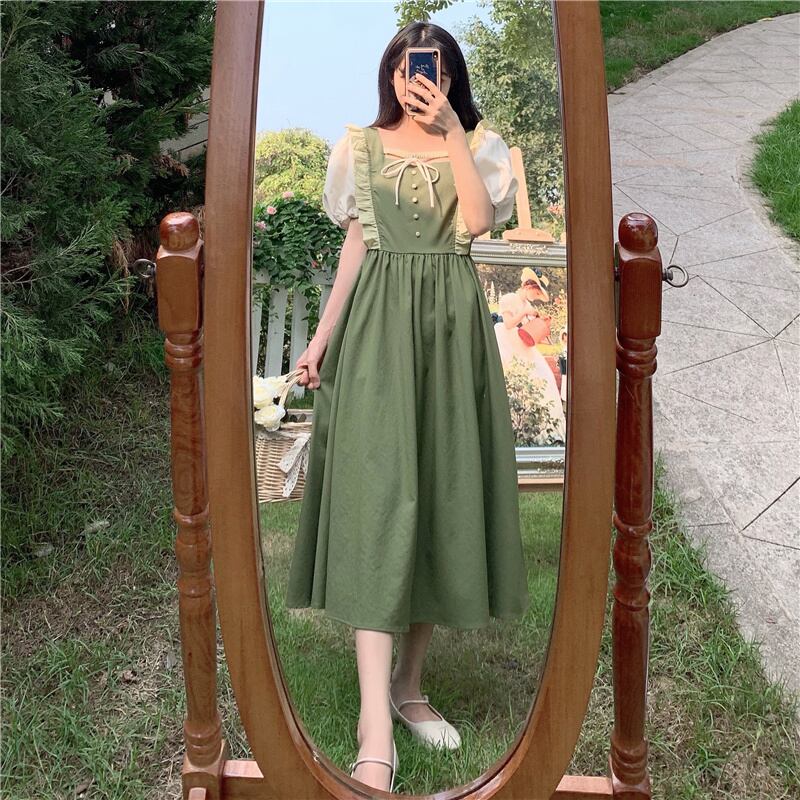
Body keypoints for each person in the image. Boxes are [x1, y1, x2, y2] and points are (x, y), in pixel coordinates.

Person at [285, 21, 529, 792]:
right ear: (388, 74)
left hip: (450, 338)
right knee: (380, 502)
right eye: (403, 67)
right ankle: (372, 722)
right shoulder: (358, 148)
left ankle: (408, 687)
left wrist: (452, 130)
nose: (414, 79)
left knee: (438, 497)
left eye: (431, 69)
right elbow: (356, 246)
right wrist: (321, 340)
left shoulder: (479, 145)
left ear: (451, 78)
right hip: (378, 334)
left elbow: (480, 223)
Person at [493, 267, 567, 444]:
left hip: (522, 345)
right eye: (536, 292)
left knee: (545, 376)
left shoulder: (528, 305)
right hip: (507, 342)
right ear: (528, 286)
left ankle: (547, 430)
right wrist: (525, 313)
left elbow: (530, 334)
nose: (537, 296)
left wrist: (541, 324)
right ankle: (516, 428)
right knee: (515, 382)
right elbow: (509, 324)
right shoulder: (509, 299)